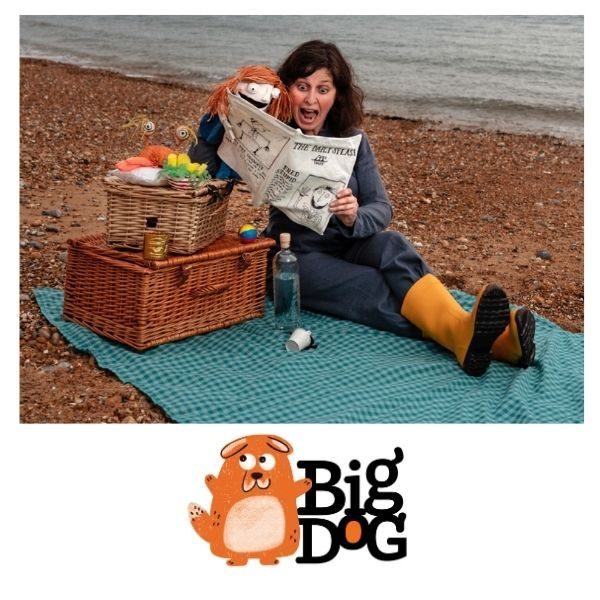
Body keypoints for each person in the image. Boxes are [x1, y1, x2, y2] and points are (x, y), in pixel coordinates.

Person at [193, 40, 536, 377]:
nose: (311, 99)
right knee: (374, 286)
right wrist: (216, 127)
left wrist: (354, 215)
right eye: (302, 86)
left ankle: (468, 337)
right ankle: (494, 343)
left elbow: (381, 208)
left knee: (393, 245)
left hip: (350, 240)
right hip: (301, 255)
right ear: (287, 91)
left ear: (336, 96)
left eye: (323, 89)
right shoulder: (267, 134)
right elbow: (200, 171)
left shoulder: (354, 140)